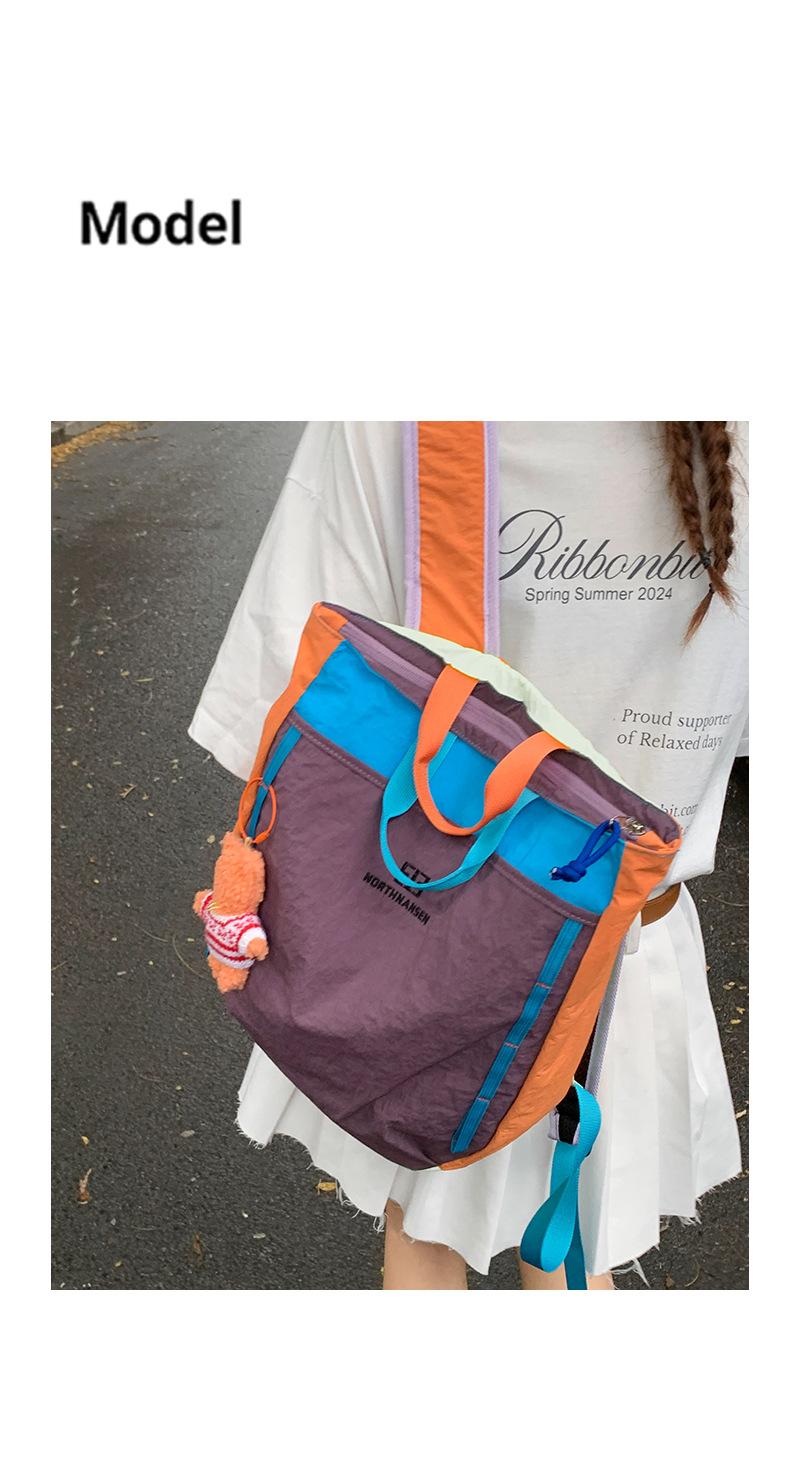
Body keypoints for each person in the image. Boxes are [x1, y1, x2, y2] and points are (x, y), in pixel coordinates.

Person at [190, 421, 748, 1290]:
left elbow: (289, 698)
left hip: (427, 932)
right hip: (627, 946)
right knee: (570, 1254)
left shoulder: (400, 415)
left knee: (425, 1238)